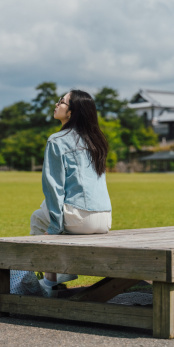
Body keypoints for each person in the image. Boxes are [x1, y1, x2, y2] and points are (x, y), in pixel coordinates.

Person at [30, 90, 112, 297]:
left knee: (39, 217)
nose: (56, 104)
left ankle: (50, 281)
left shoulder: (57, 140)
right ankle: (61, 275)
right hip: (104, 219)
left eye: (62, 102)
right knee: (47, 211)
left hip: (81, 218)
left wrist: (54, 228)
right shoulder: (95, 141)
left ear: (72, 112)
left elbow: (54, 187)